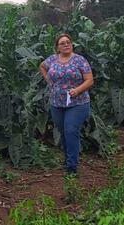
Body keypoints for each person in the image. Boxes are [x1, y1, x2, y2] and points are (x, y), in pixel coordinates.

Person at [39, 33, 94, 175]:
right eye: (62, 43)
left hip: (78, 103)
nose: (66, 45)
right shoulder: (52, 60)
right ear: (57, 47)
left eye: (68, 42)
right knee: (63, 132)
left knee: (70, 130)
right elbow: (42, 66)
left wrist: (78, 90)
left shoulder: (80, 60)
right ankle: (68, 159)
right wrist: (49, 81)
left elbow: (89, 80)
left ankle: (72, 166)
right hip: (57, 103)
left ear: (72, 44)